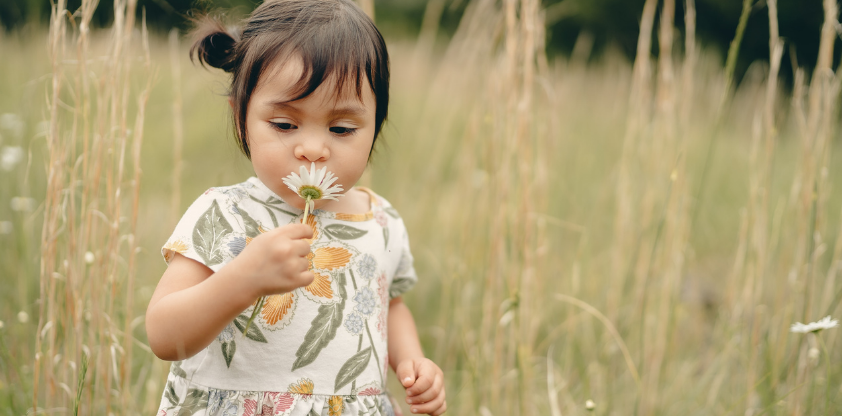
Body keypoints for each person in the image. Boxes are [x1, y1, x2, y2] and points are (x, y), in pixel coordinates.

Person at [145, 1, 446, 415]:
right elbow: (164, 335)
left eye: (342, 129)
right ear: (241, 120)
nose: (313, 150)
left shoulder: (381, 221)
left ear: (375, 127)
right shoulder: (225, 213)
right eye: (285, 125)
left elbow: (390, 304)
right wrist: (241, 281)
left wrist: (412, 361)